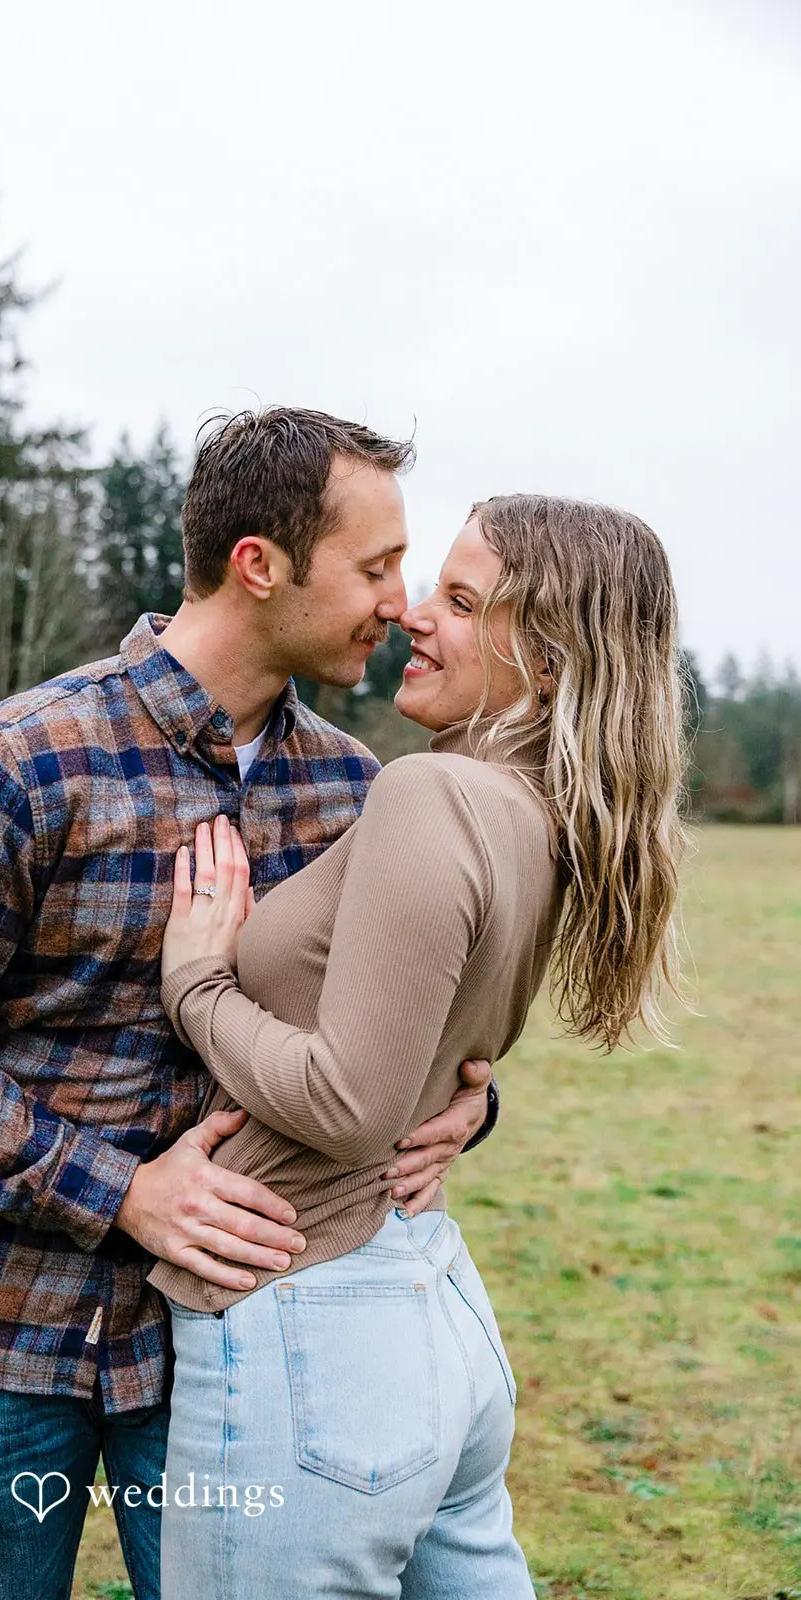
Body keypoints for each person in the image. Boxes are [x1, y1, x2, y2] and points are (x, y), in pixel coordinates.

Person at [0, 408, 499, 1600]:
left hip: (231, 1351)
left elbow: (397, 1025)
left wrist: (465, 1112)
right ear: (259, 564)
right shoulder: (17, 763)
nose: (399, 602)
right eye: (376, 566)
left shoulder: (357, 788)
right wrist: (121, 1190)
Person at [154, 493, 689, 1599]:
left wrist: (198, 983)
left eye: (456, 600)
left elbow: (349, 1103)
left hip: (312, 1324)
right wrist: (466, 1110)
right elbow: (440, 1055)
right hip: (426, 1296)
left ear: (545, 661)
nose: (411, 616)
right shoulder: (537, 811)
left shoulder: (428, 793)